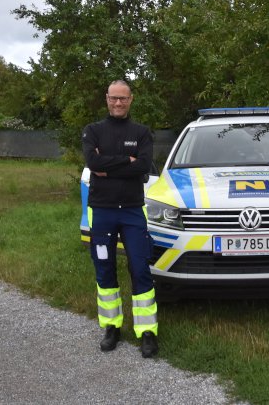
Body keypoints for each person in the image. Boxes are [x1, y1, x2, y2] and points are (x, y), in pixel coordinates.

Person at [82, 80, 158, 357]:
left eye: (123, 99)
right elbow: (93, 163)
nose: (118, 103)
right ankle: (111, 326)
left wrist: (112, 166)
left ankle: (147, 331)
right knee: (104, 268)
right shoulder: (93, 131)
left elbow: (143, 166)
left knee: (140, 268)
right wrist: (126, 161)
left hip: (132, 212)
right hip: (101, 211)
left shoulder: (141, 132)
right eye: (114, 98)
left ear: (131, 100)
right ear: (106, 99)